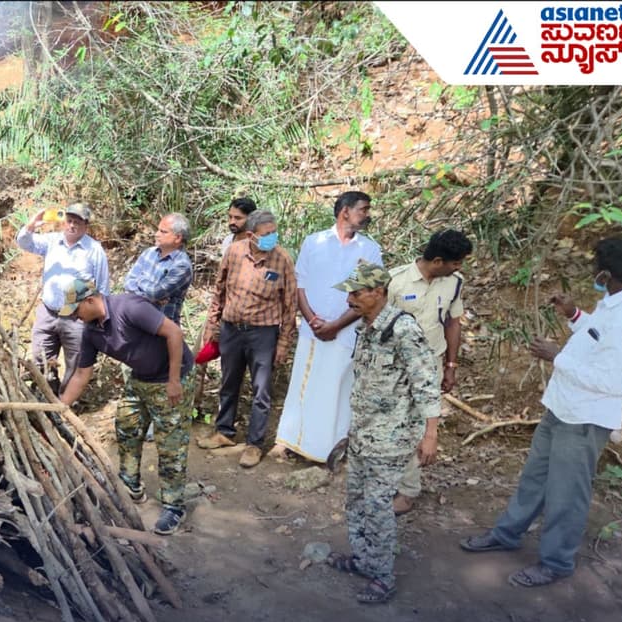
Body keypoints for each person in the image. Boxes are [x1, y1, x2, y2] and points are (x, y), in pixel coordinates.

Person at [460, 237, 622, 588]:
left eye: (597, 270)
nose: (594, 274)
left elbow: (608, 379)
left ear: (607, 274)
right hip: (562, 406)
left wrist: (556, 356)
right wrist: (575, 315)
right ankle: (507, 534)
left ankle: (556, 561)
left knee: (567, 493)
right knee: (534, 478)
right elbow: (598, 339)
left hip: (585, 417)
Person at [324, 263, 440, 604]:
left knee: (377, 507)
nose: (349, 299)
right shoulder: (368, 328)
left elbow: (425, 383)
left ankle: (383, 577)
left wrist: (430, 433)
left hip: (390, 439)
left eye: (356, 293)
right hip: (364, 434)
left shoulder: (402, 329)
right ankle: (364, 560)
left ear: (378, 292)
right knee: (356, 502)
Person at [57, 280, 194, 535]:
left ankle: (174, 506)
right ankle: (131, 485)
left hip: (170, 377)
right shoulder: (91, 331)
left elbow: (174, 332)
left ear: (90, 300)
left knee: (170, 443)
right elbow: (81, 374)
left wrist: (175, 381)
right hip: (141, 378)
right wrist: (60, 407)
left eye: (76, 311)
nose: (76, 318)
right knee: (127, 427)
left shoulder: (129, 307)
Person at [270, 191, 382, 464]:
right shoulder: (314, 242)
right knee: (303, 385)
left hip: (345, 332)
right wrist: (311, 319)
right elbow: (300, 283)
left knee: (336, 389)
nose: (367, 215)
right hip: (312, 329)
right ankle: (288, 440)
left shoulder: (370, 250)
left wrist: (335, 325)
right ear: (345, 211)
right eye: (363, 209)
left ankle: (325, 449)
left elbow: (371, 295)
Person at [198, 209, 297, 468]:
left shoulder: (282, 259)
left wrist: (284, 343)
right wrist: (212, 326)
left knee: (261, 391)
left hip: (263, 334)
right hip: (231, 330)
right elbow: (219, 290)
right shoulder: (234, 252)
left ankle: (255, 444)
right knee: (228, 383)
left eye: (275, 233)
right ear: (252, 235)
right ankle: (225, 432)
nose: (272, 238)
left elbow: (290, 305)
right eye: (267, 234)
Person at [386, 229, 473, 514]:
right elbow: (377, 323)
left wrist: (450, 365)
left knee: (422, 426)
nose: (459, 268)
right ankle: (387, 478)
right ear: (438, 261)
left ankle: (408, 490)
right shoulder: (395, 280)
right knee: (391, 422)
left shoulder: (454, 283)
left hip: (431, 361)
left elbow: (453, 323)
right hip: (395, 364)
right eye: (456, 263)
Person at [17, 202, 111, 395]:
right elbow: (24, 242)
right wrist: (32, 224)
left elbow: (102, 287)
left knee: (75, 362)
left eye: (77, 222)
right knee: (40, 356)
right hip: (48, 311)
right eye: (69, 221)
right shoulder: (52, 242)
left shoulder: (94, 250)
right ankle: (45, 397)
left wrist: (99, 319)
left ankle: (65, 403)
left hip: (77, 317)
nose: (72, 225)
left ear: (86, 225)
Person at [124, 213, 193, 324]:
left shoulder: (181, 265)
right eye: (158, 230)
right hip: (137, 321)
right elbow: (128, 282)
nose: (156, 234)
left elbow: (156, 292)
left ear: (178, 238)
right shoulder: (149, 253)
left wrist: (140, 280)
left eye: (163, 232)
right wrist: (149, 298)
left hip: (162, 328)